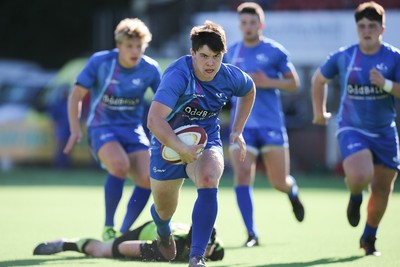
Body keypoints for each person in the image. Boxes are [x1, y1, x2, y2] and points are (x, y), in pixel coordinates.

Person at [146, 21, 255, 266]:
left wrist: (237, 130)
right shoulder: (178, 75)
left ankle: (197, 256)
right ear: (193, 53)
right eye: (204, 56)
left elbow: (249, 90)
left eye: (216, 57)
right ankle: (163, 231)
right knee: (164, 210)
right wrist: (180, 148)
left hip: (206, 140)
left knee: (208, 178)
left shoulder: (229, 76)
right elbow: (154, 120)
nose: (210, 63)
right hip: (166, 144)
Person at [311, 1, 400, 256]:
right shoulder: (345, 56)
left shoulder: (394, 57)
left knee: (383, 188)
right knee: (361, 176)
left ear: (382, 28)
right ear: (357, 28)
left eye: (372, 26)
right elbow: (318, 79)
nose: (366, 30)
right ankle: (356, 195)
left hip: (385, 131)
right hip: (352, 128)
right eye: (361, 26)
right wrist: (319, 112)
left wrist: (386, 85)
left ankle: (369, 236)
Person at [63, 18, 162, 241]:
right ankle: (108, 226)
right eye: (130, 46)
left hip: (132, 129)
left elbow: (164, 101)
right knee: (119, 165)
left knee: (148, 179)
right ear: (118, 45)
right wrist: (74, 129)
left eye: (139, 46)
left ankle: (124, 232)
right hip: (101, 127)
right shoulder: (101, 62)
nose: (135, 51)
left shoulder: (150, 68)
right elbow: (76, 96)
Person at [224, 2, 305, 247]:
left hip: (271, 125)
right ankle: (252, 233)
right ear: (240, 25)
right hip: (243, 127)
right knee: (242, 176)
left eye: (252, 23)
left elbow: (294, 83)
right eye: (244, 23)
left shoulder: (275, 51)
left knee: (279, 181)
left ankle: (292, 192)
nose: (248, 27)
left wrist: (267, 81)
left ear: (261, 24)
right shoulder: (232, 53)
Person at [33, 220, 225, 263]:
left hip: (173, 227)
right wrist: (147, 253)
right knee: (100, 250)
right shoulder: (170, 247)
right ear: (189, 245)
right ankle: (66, 243)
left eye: (208, 247)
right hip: (145, 232)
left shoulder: (216, 250)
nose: (205, 252)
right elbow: (125, 247)